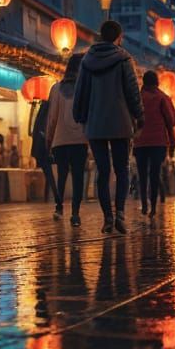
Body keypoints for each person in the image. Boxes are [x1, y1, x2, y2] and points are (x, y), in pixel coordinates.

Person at [73, 19, 143, 234]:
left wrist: (79, 115)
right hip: (120, 122)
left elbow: (81, 91)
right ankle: (120, 212)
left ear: (100, 35)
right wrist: (139, 114)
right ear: (118, 37)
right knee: (122, 169)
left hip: (95, 124)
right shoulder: (124, 59)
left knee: (102, 171)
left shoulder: (87, 60)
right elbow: (132, 90)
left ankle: (108, 218)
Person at [46, 52, 88, 227]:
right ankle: (76, 214)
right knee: (78, 177)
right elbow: (87, 117)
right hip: (80, 141)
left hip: (60, 141)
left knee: (62, 175)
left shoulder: (56, 89)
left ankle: (59, 207)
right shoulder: (85, 88)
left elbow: (52, 118)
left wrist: (48, 140)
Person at [133, 70, 175, 217]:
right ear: (157, 82)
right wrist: (172, 142)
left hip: (140, 142)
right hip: (158, 143)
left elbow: (132, 118)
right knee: (154, 174)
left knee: (142, 174)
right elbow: (171, 121)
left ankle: (144, 204)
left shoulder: (137, 98)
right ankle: (153, 207)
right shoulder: (162, 98)